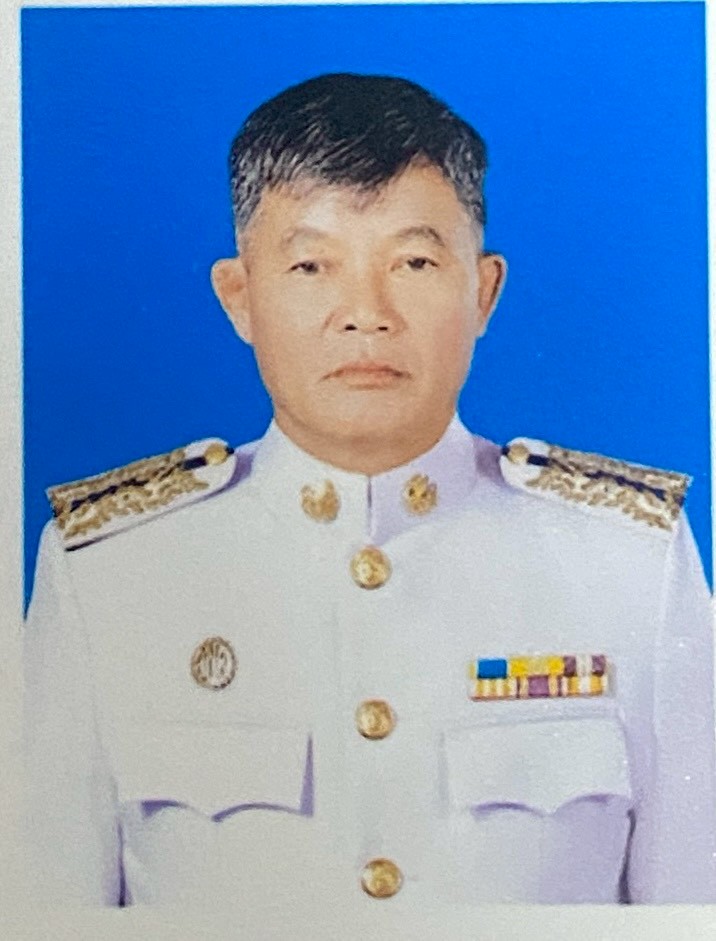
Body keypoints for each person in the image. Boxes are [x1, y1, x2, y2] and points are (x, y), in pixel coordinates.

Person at [24, 72, 716, 908]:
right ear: (240, 297)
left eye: (414, 261)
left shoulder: (631, 565)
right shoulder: (108, 573)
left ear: (483, 291)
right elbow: (40, 912)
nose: (366, 313)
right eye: (311, 264)